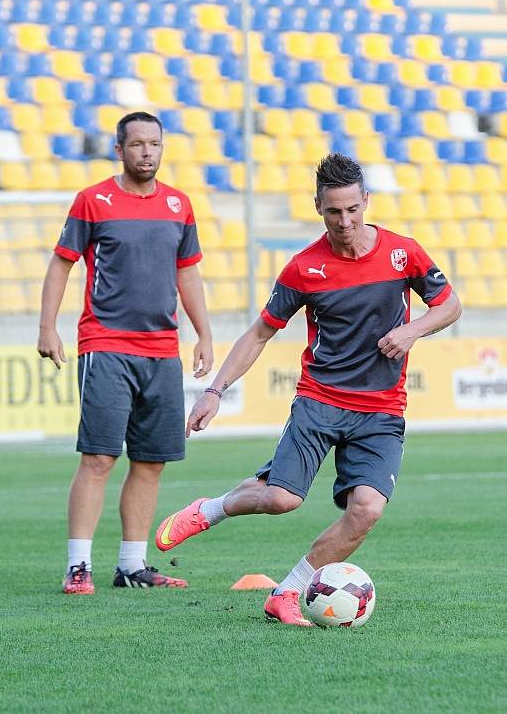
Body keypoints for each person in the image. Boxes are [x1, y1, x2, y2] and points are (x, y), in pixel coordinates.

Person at [155, 152, 462, 626]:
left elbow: (450, 305)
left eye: (353, 210)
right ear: (318, 206)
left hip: (382, 410)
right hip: (320, 401)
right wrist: (215, 391)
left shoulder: (404, 253)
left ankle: (288, 592)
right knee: (281, 500)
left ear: (367, 201)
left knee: (367, 510)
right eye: (334, 211)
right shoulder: (304, 268)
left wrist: (413, 329)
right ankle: (210, 509)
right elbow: (259, 333)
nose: (345, 222)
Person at [37, 111, 213, 594]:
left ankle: (132, 565)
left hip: (162, 351)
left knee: (151, 461)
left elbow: (188, 272)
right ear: (119, 150)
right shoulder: (93, 201)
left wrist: (204, 333)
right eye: (136, 144)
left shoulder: (179, 204)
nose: (147, 152)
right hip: (106, 344)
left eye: (154, 143)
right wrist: (47, 326)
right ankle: (79, 566)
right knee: (98, 457)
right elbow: (61, 264)